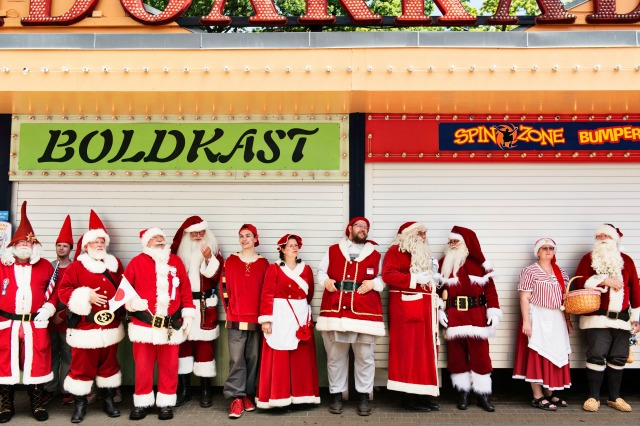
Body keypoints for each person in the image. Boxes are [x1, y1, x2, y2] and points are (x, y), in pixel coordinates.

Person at [58, 210, 125, 423]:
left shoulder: (115, 265)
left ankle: (108, 400)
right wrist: (86, 295)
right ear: (86, 245)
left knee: (109, 364)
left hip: (111, 325)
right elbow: (64, 291)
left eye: (101, 241)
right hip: (85, 328)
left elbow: (125, 288)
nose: (99, 244)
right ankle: (80, 404)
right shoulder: (77, 266)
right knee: (81, 367)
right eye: (94, 242)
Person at [316, 217, 385, 416]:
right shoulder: (332, 250)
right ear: (350, 229)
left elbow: (383, 278)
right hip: (336, 311)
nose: (363, 230)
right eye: (359, 226)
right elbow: (321, 272)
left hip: (366, 312)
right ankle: (336, 394)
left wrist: (374, 284)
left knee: (365, 357)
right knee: (335, 356)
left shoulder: (375, 254)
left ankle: (364, 396)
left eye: (366, 227)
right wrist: (326, 280)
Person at [124, 228, 196, 421]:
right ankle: (142, 403)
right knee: (143, 367)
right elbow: (124, 291)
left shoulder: (176, 261)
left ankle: (165, 404)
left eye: (161, 237)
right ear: (146, 242)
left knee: (169, 367)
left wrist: (188, 316)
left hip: (170, 326)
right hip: (143, 325)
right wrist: (131, 303)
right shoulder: (136, 262)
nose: (159, 240)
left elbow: (186, 291)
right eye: (154, 238)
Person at [573, 224, 640, 413]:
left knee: (619, 358)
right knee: (596, 355)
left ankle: (614, 397)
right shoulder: (589, 258)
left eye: (606, 235)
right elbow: (579, 280)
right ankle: (593, 397)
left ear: (615, 239)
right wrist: (603, 281)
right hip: (597, 318)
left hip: (623, 319)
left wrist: (637, 318)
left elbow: (635, 288)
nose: (602, 238)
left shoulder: (627, 261)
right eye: (599, 235)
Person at [0, 201, 56, 422]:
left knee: (37, 362)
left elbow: (55, 291)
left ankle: (37, 403)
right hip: (7, 323)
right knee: (5, 362)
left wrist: (50, 307)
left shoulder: (45, 266)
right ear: (13, 244)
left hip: (35, 323)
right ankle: (6, 405)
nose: (24, 245)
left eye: (28, 242)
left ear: (34, 245)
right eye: (21, 241)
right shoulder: (2, 265)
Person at [438, 225, 501, 412]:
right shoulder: (443, 263)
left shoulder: (481, 264)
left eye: (455, 241)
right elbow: (438, 291)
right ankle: (462, 394)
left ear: (466, 243)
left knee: (481, 357)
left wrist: (494, 312)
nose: (452, 244)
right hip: (454, 316)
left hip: (477, 316)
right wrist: (439, 311)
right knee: (456, 357)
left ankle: (483, 396)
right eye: (450, 241)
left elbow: (490, 290)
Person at [256, 234, 320, 409]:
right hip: (280, 316)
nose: (294, 248)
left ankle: (302, 396)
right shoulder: (274, 268)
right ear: (282, 250)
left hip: (299, 316)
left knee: (300, 357)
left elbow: (310, 293)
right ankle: (279, 397)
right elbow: (267, 294)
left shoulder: (306, 269)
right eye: (290, 245)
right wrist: (266, 320)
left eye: (296, 245)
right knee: (280, 356)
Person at [382, 222, 441, 412]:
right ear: (408, 235)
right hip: (406, 310)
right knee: (408, 353)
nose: (424, 236)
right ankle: (408, 397)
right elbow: (388, 275)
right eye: (420, 233)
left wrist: (433, 279)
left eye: (425, 233)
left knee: (425, 354)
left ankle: (424, 394)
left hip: (425, 309)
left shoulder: (422, 253)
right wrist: (415, 280)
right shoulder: (395, 252)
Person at [513, 238, 572, 411]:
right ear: (537, 252)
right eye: (544, 248)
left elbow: (566, 299)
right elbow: (524, 297)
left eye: (551, 248)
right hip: (538, 315)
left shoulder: (561, 272)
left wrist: (568, 320)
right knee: (538, 354)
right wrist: (526, 321)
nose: (548, 251)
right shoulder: (530, 271)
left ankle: (549, 392)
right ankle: (537, 395)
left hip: (557, 317)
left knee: (554, 353)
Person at [171, 216, 223, 408]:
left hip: (204, 304)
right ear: (186, 234)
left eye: (201, 232)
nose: (198, 236)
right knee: (182, 346)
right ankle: (184, 390)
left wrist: (209, 257)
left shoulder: (214, 250)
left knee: (204, 347)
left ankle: (205, 390)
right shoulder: (176, 254)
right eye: (194, 232)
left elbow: (215, 275)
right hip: (183, 304)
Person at [221, 224, 269, 419]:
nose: (244, 239)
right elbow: (224, 288)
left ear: (256, 239)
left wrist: (266, 317)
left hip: (257, 319)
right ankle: (235, 397)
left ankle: (247, 394)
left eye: (248, 236)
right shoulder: (230, 261)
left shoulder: (264, 263)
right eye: (241, 236)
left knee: (254, 358)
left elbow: (267, 293)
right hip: (236, 317)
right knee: (236, 358)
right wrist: (230, 310)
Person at [43, 215, 75, 406]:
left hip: (66, 319)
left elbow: (76, 295)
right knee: (50, 354)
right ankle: (49, 388)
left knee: (68, 355)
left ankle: (67, 389)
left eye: (65, 245)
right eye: (59, 245)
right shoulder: (49, 267)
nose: (61, 248)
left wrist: (62, 314)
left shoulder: (74, 268)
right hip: (49, 319)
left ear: (70, 249)